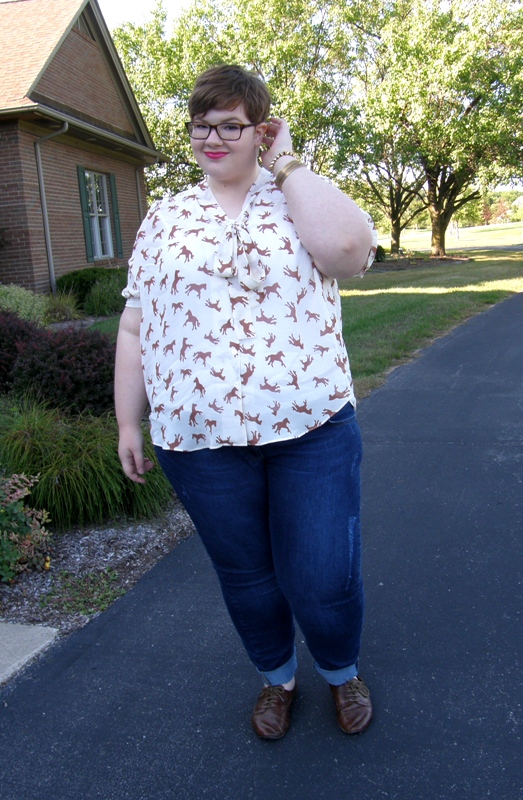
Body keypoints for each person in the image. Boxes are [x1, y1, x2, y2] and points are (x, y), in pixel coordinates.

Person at [115, 65, 377, 740]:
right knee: (247, 575)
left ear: (261, 129)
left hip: (311, 430)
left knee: (323, 574)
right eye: (201, 125)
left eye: (230, 125)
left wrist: (285, 164)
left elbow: (349, 253)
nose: (212, 138)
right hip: (198, 443)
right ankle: (277, 679)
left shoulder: (297, 195)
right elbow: (136, 325)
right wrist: (127, 422)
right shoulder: (164, 217)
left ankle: (341, 670)